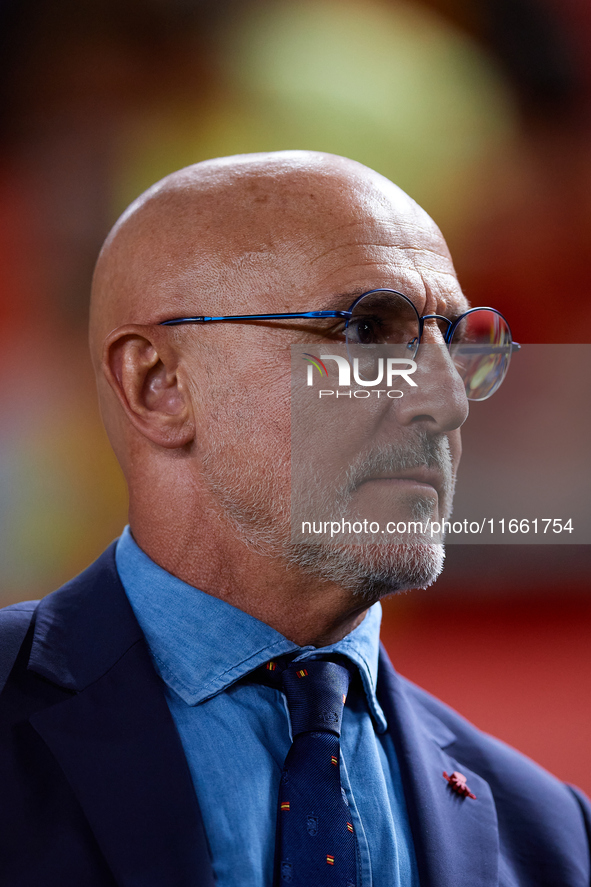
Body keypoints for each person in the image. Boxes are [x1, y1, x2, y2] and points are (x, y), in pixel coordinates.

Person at [0, 151, 589, 887]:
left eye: (460, 341)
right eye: (366, 330)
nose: (448, 401)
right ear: (159, 385)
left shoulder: (554, 835)